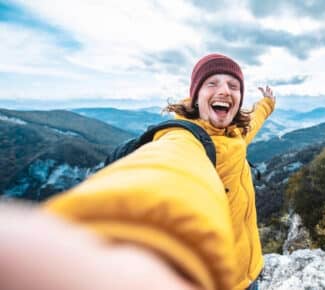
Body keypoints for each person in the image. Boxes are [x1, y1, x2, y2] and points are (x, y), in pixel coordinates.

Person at [0, 53, 275, 290]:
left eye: (233, 85)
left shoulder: (235, 133)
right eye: (212, 83)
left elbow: (255, 120)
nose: (225, 90)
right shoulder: (184, 140)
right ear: (195, 96)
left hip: (251, 272)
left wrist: (267, 104)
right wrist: (119, 231)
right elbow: (167, 167)